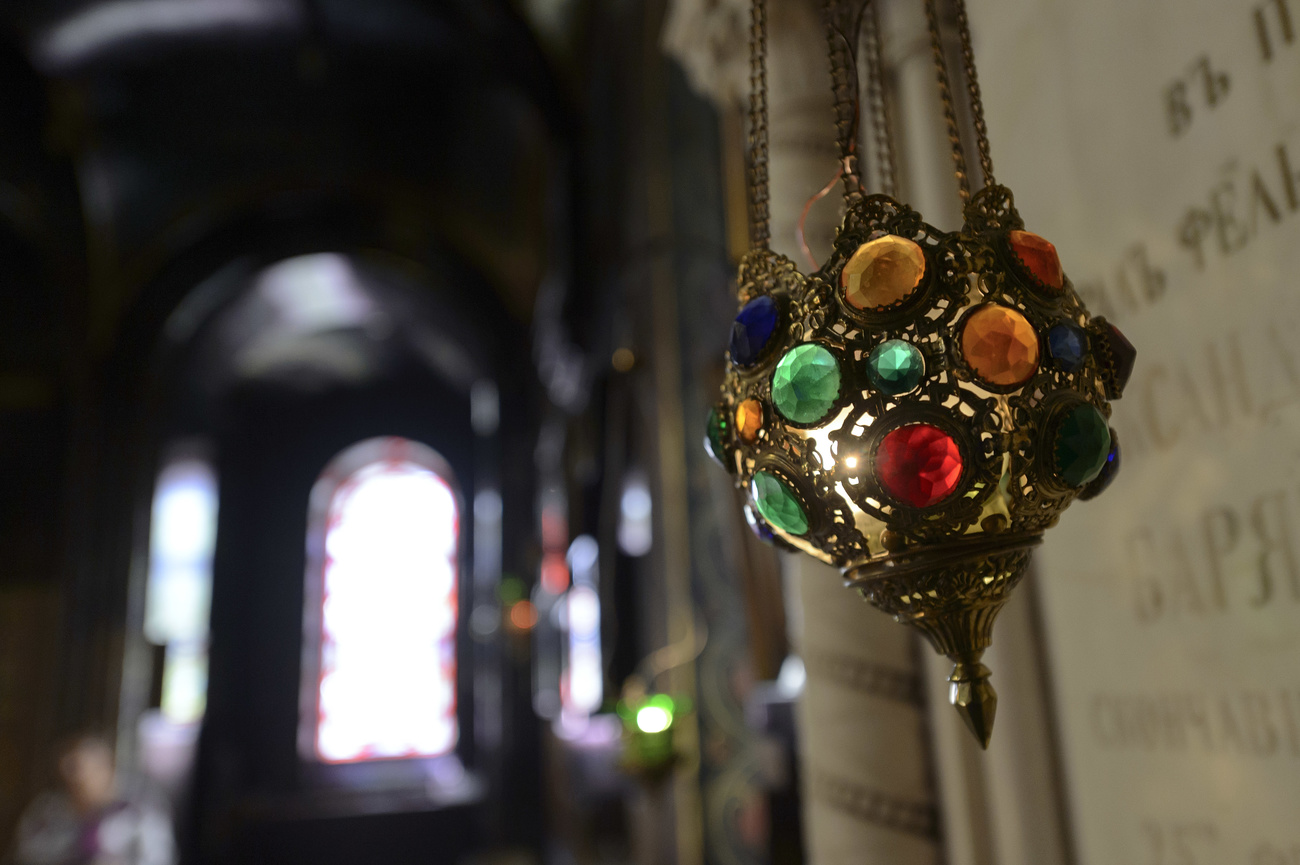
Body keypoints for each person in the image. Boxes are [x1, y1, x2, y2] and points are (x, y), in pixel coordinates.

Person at [11, 734, 174, 865]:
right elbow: (26, 854)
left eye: (84, 771)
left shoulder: (139, 811)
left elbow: (159, 857)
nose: (76, 780)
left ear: (107, 769)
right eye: (69, 770)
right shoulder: (47, 812)